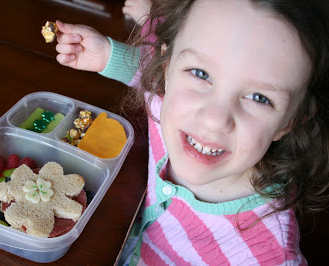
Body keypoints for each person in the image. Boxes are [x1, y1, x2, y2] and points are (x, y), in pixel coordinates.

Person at [54, 0, 329, 264]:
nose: (213, 121)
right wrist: (108, 54)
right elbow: (149, 67)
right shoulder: (166, 106)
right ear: (167, 72)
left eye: (258, 97)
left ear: (290, 121)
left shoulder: (269, 254)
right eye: (200, 73)